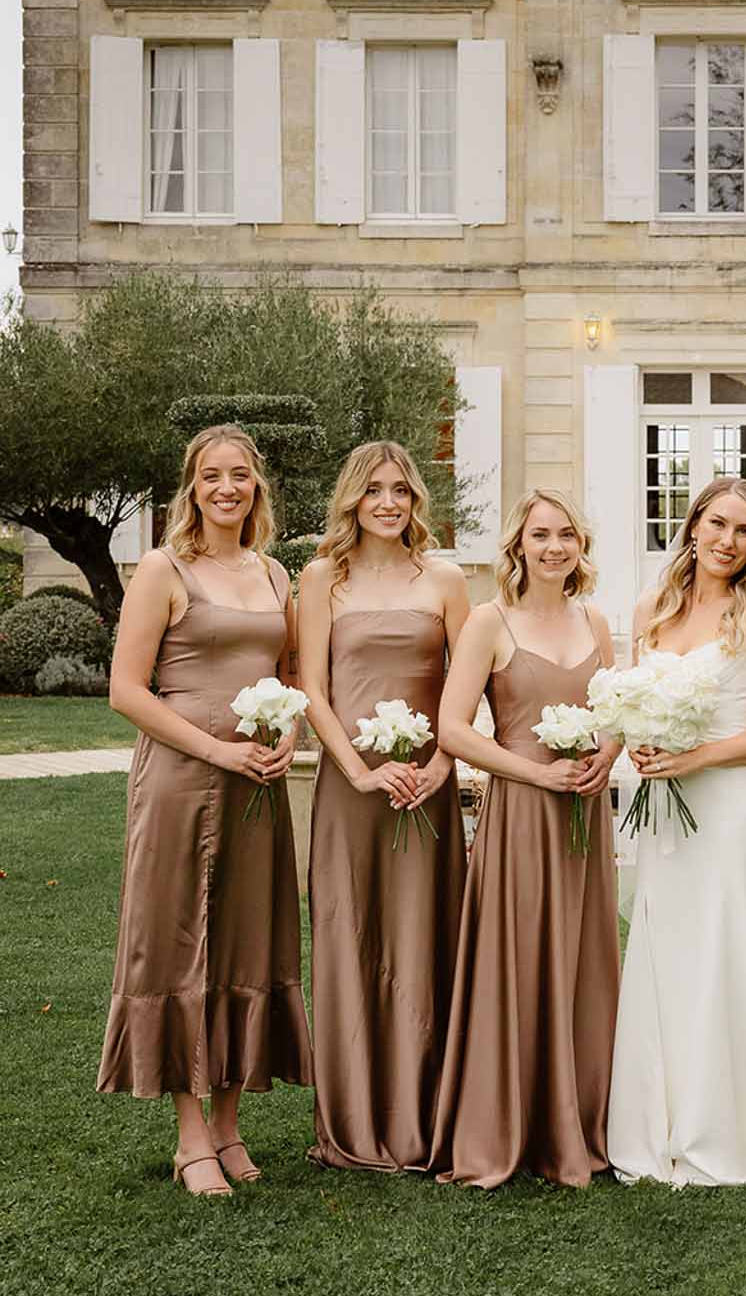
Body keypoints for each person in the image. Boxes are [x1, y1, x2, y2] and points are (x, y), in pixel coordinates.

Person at [98, 425, 311, 1195]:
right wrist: (217, 751)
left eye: (241, 475)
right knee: (182, 936)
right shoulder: (164, 567)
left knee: (249, 938)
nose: (228, 488)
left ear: (258, 485)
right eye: (212, 476)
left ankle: (228, 1125)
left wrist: (286, 730)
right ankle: (190, 1136)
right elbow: (127, 689)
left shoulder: (276, 575)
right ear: (191, 486)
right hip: (182, 781)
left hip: (260, 784)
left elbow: (289, 671)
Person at [608, 477, 746, 1188]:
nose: (729, 541)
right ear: (692, 526)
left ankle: (742, 1130)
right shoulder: (650, 609)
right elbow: (634, 699)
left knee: (731, 947)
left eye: (745, 530)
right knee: (668, 947)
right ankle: (662, 1123)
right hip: (666, 805)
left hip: (730, 804)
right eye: (719, 524)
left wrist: (696, 756)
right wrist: (642, 743)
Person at [434, 489, 619, 1187]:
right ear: (517, 546)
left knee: (582, 957)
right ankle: (508, 1124)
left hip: (584, 817)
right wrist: (534, 776)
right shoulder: (490, 620)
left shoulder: (594, 620)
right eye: (539, 535)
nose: (553, 547)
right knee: (518, 957)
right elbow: (453, 730)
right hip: (522, 812)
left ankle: (580, 1120)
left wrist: (610, 751)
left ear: (580, 546)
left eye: (566, 534)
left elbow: (614, 710)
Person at [297, 442, 469, 1173]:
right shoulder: (319, 580)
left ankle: (429, 1117)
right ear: (352, 502)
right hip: (352, 792)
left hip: (428, 794)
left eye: (401, 490)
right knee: (352, 936)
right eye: (374, 492)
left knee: (426, 939)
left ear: (416, 501)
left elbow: (472, 684)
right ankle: (355, 1119)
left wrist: (441, 766)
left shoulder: (446, 580)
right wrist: (358, 773)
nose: (389, 503)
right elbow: (311, 688)